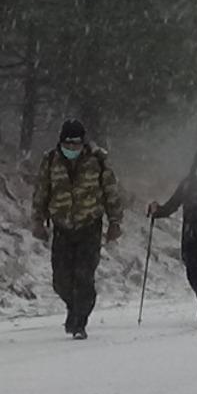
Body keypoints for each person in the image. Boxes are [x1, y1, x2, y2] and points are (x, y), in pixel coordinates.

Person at [31, 119, 124, 340]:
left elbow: (111, 192)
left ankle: (80, 321)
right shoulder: (51, 160)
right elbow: (41, 191)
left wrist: (115, 222)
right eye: (68, 144)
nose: (72, 148)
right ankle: (74, 308)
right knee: (61, 280)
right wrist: (38, 220)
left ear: (83, 143)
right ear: (61, 142)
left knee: (84, 276)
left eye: (76, 144)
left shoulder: (98, 160)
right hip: (62, 226)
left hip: (89, 226)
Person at [148, 149, 197, 328]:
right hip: (191, 239)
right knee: (192, 274)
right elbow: (172, 205)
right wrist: (157, 211)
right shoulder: (187, 185)